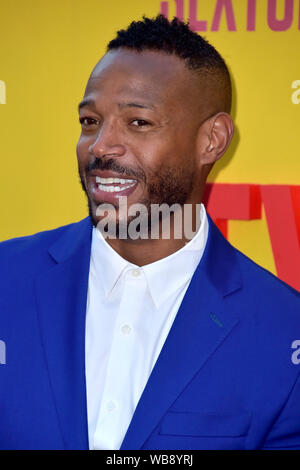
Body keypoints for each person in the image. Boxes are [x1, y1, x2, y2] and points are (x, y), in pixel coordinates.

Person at [0, 14, 299, 451]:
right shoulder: (7, 279)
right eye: (89, 121)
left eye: (138, 122)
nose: (100, 146)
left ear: (212, 140)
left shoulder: (282, 330)